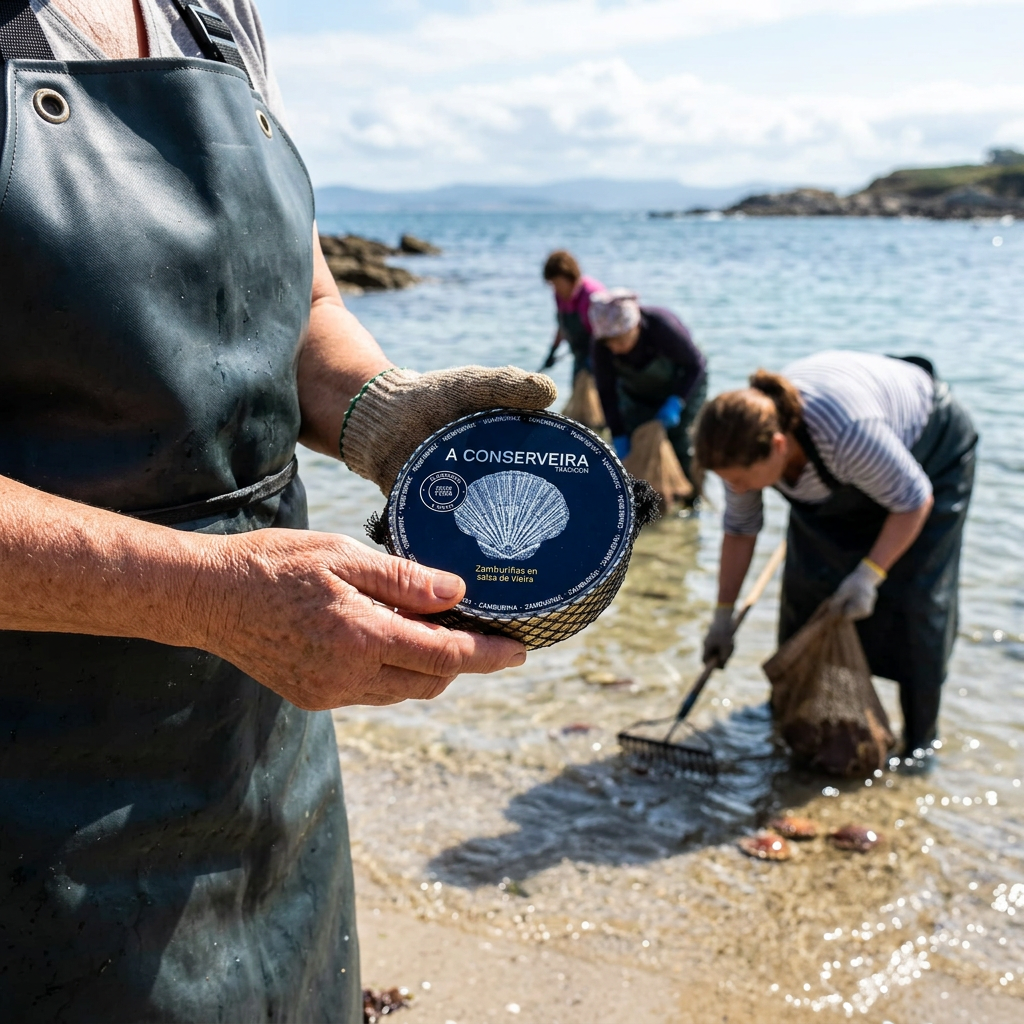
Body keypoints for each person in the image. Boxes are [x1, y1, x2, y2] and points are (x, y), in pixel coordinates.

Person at [0, 2, 556, 1020]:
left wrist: (384, 416)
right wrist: (204, 594)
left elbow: (299, 309)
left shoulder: (212, 16)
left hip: (261, 751)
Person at [695, 351, 977, 760]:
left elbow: (914, 501)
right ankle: (798, 723)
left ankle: (919, 746)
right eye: (727, 482)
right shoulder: (736, 450)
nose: (735, 489)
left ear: (777, 447)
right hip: (845, 475)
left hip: (931, 459)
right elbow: (740, 531)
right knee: (810, 591)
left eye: (739, 481)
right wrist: (722, 617)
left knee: (915, 603)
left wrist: (869, 575)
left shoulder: (847, 434)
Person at [589, 288, 707, 483]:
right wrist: (618, 433)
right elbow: (607, 393)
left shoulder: (661, 327)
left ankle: (691, 498)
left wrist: (677, 402)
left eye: (621, 340)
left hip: (684, 385)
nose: (615, 348)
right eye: (610, 343)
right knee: (637, 436)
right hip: (638, 392)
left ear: (635, 326)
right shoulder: (601, 347)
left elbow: (695, 365)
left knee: (679, 439)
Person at [540, 249, 604, 380]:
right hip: (579, 358)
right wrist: (552, 352)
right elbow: (563, 326)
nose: (555, 288)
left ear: (569, 277)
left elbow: (606, 336)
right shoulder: (560, 296)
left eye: (557, 283)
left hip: (600, 359)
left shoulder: (592, 296)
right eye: (552, 284)